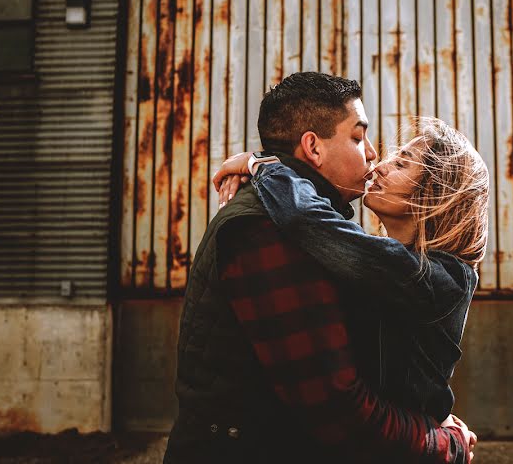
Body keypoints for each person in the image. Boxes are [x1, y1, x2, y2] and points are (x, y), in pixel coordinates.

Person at [164, 72, 475, 464]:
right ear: (312, 147)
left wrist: (262, 164)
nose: (375, 157)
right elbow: (339, 410)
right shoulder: (274, 229)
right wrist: (443, 443)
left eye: (403, 162)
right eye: (358, 138)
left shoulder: (421, 271)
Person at [215, 117, 489, 428]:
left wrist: (261, 165)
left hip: (403, 445)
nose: (381, 166)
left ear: (435, 193)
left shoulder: (444, 278)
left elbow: (306, 220)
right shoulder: (382, 260)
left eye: (402, 164)